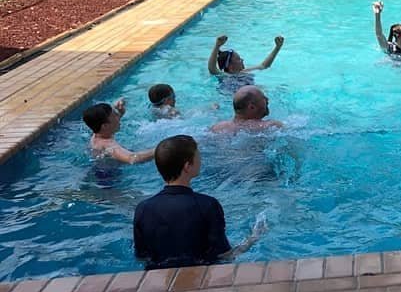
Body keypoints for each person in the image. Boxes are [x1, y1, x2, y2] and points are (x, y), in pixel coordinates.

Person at [133, 135, 266, 269]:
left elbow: (142, 256)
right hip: (201, 275)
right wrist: (253, 238)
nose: (201, 161)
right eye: (198, 158)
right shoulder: (207, 205)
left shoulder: (143, 208)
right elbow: (225, 256)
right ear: (187, 166)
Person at [82, 99, 154, 164]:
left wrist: (120, 109)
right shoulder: (108, 145)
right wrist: (158, 150)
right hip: (109, 176)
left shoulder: (97, 133)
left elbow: (108, 120)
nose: (118, 116)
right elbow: (132, 159)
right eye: (115, 115)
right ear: (105, 126)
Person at [207, 34, 284, 83]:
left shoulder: (245, 72)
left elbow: (264, 66)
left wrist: (277, 47)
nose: (242, 60)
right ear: (230, 66)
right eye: (238, 59)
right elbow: (212, 68)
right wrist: (217, 46)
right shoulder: (226, 76)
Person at [209, 86, 284, 134]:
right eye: (263, 98)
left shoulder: (217, 128)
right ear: (251, 107)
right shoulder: (271, 126)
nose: (267, 100)